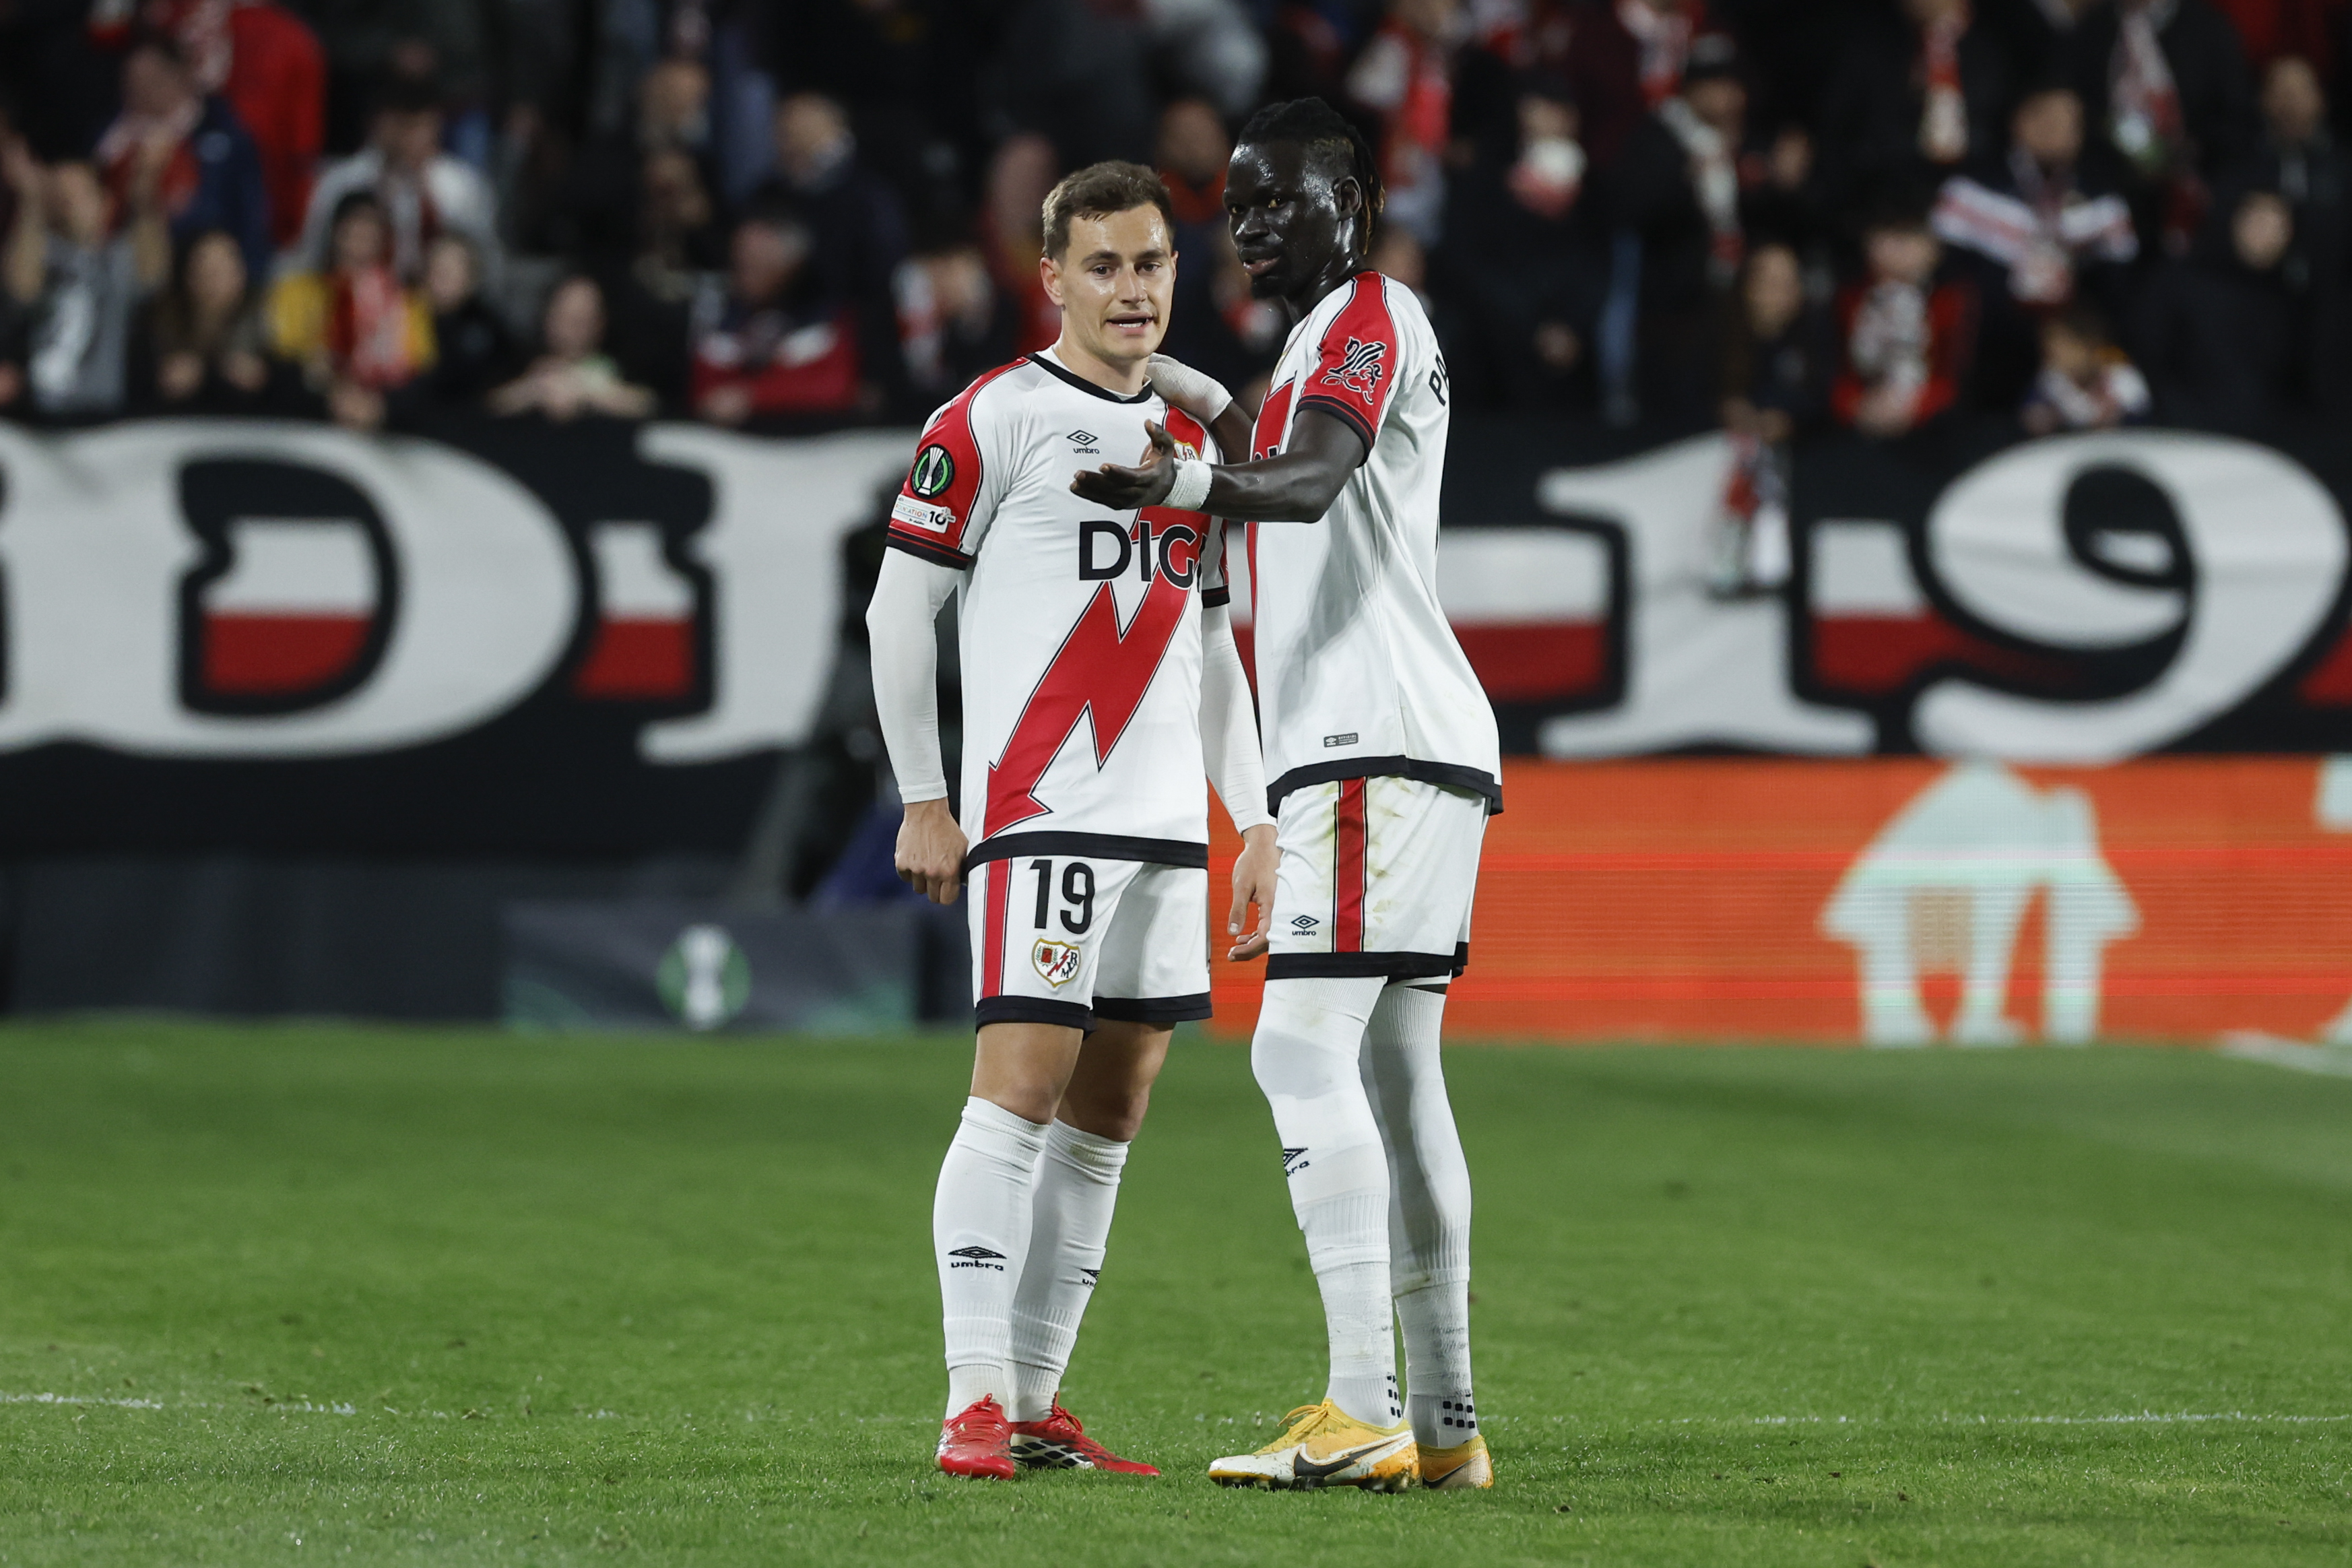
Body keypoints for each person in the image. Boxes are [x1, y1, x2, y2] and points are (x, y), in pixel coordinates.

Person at [1074, 96, 1500, 1494]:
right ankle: (1441, 1428)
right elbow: (1277, 434)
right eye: (1237, 205)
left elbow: (1308, 479)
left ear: (1357, 199)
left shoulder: (1372, 313)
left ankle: (1363, 1405)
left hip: (1371, 744)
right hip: (1411, 745)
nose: (1251, 223)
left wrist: (1183, 480)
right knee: (1397, 1073)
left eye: (1279, 197)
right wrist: (1193, 416)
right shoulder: (1334, 339)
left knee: (1296, 1054)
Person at [868, 160, 1278, 1482]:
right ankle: (972, 1399)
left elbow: (1216, 645)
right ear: (1051, 279)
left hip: (1165, 825)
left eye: (1151, 263)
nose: (1131, 289)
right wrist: (925, 796)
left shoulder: (1196, 449)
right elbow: (896, 611)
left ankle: (1039, 1402)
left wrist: (1255, 817)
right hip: (1043, 813)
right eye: (1102, 266)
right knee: (1023, 1087)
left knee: (1116, 1104)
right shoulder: (990, 418)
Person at [3, 145, 171, 420]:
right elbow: (21, 288)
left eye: (79, 192)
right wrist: (31, 202)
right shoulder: (40, 252)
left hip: (105, 413)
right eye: (60, 193)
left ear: (104, 202)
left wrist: (145, 189)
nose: (69, 200)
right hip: (40, 413)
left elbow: (154, 273)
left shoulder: (118, 257)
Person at [94, 30, 273, 282]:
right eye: (132, 83)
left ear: (180, 76)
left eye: (151, 81)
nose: (141, 92)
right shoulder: (110, 140)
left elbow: (248, 217)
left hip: (202, 268)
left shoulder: (225, 136)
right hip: (122, 267)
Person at [300, 72, 498, 284]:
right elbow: (311, 255)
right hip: (354, 304)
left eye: (420, 126)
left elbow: (485, 261)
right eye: (402, 125)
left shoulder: (462, 185)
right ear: (379, 124)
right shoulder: (341, 182)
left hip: (438, 307)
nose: (410, 138)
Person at [267, 188, 432, 430]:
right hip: (309, 420)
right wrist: (331, 394)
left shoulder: (406, 302)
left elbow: (419, 374)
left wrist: (379, 406)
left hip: (382, 426)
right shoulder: (295, 292)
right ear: (334, 232)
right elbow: (283, 364)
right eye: (352, 229)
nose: (360, 239)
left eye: (371, 232)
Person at [1831, 206, 1977, 438]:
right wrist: (1857, 407)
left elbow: (1958, 380)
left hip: (1932, 434)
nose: (1897, 250)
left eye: (1909, 237)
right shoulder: (1850, 299)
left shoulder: (1951, 302)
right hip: (1859, 429)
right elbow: (1834, 375)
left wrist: (1914, 407)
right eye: (1887, 236)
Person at [129, 226, 282, 413]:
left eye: (223, 268)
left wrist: (265, 380)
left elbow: (295, 395)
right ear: (188, 275)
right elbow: (134, 394)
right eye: (205, 268)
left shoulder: (268, 323)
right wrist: (162, 383)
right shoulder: (157, 324)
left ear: (241, 274)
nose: (214, 278)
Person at [489, 275, 655, 420]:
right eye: (566, 316)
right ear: (548, 317)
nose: (575, 328)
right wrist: (537, 387)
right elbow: (492, 403)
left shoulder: (620, 362)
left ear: (601, 322)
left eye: (584, 318)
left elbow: (648, 404)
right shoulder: (520, 358)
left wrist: (588, 389)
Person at [2020, 303, 2151, 432]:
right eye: (2051, 350)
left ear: (2088, 345)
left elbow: (2143, 417)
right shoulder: (2051, 379)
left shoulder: (2120, 371)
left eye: (2065, 349)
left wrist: (2116, 417)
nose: (2056, 358)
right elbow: (2032, 416)